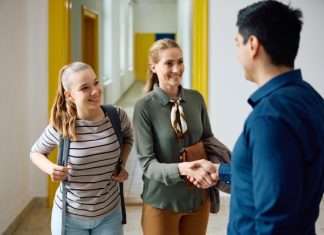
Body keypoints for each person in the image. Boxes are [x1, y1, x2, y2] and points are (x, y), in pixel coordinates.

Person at [224, 1, 324, 234]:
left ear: (253, 45)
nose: (237, 54)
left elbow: (275, 220)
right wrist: (219, 172)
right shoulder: (310, 98)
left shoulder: (269, 119)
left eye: (237, 44)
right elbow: (286, 178)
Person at [133, 38, 230, 235]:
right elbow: (147, 165)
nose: (177, 69)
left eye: (180, 61)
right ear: (154, 67)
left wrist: (220, 167)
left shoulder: (195, 99)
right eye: (169, 63)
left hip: (197, 199)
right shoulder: (144, 107)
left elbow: (208, 139)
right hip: (162, 201)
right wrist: (183, 169)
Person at [30, 62, 133, 235]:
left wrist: (121, 164)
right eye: (85, 88)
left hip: (110, 213)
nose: (95, 91)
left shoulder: (117, 116)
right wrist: (51, 169)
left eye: (96, 82)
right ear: (69, 95)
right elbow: (35, 152)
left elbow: (128, 138)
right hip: (70, 217)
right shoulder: (62, 125)